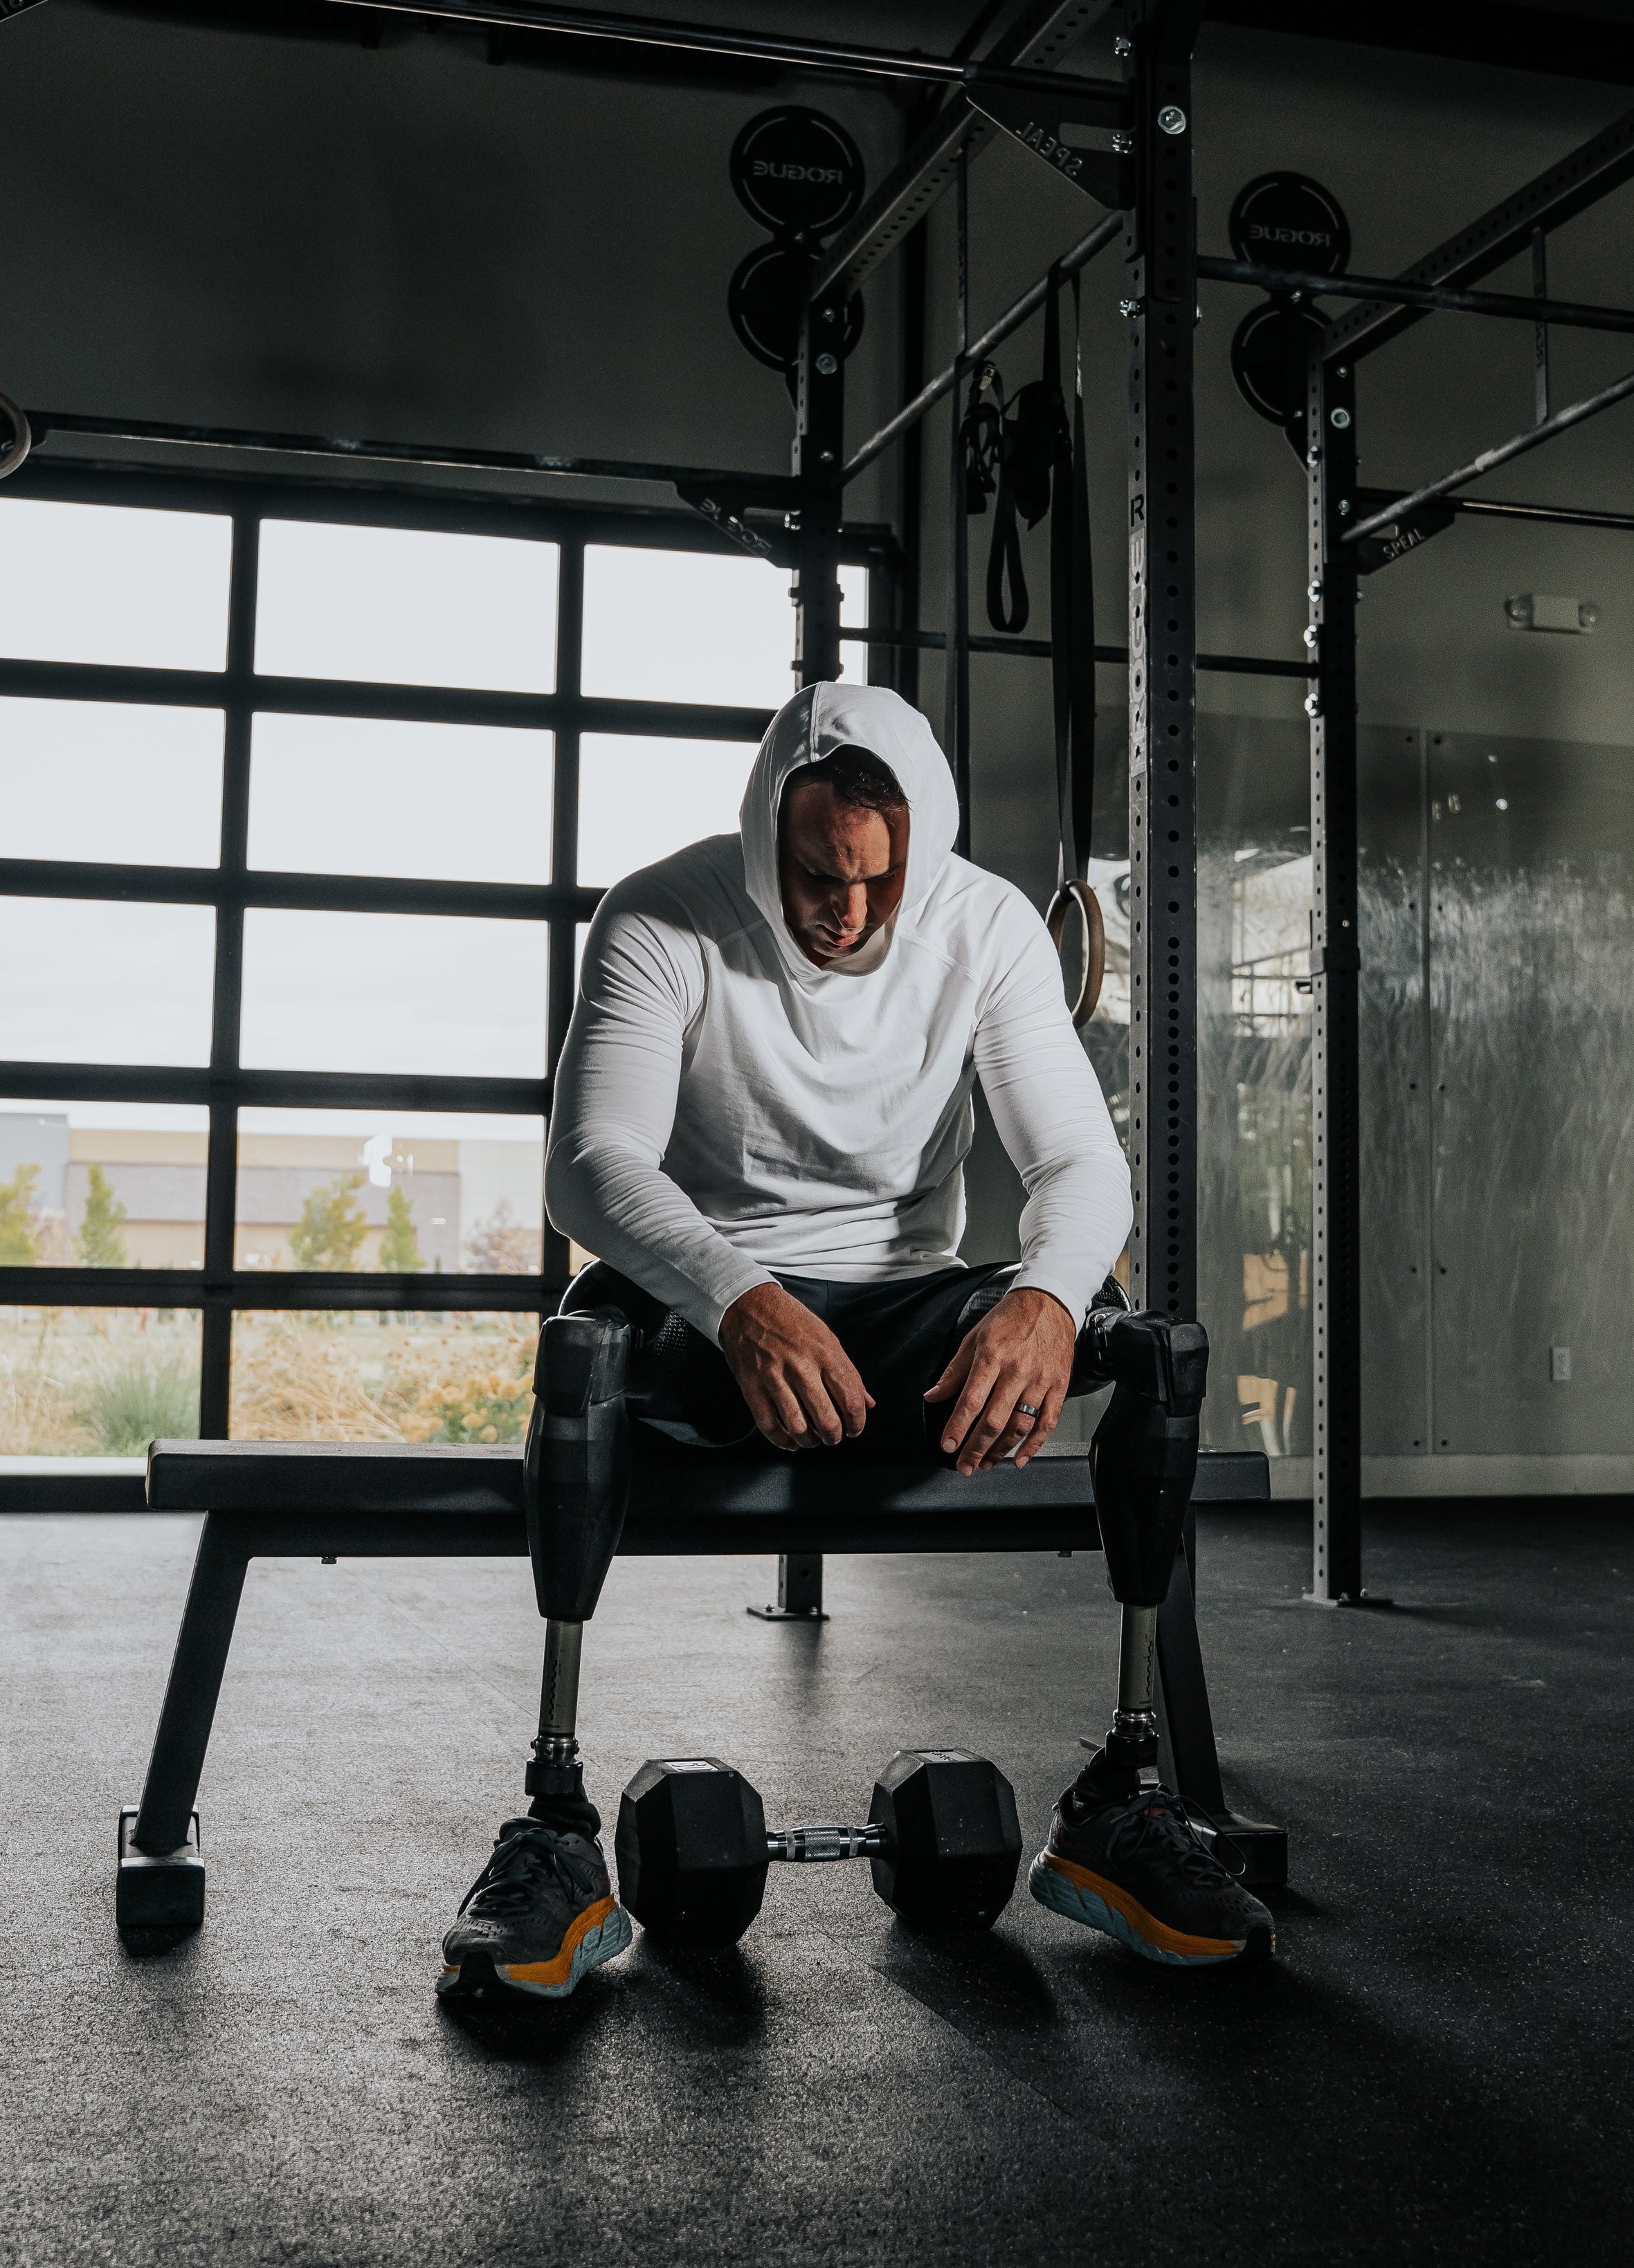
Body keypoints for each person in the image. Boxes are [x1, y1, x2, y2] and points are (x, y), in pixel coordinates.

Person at [437, 683, 1275, 2001]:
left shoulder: (986, 924)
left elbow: (1075, 1160)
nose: (847, 909)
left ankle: (1123, 1790)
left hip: (898, 1306)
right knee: (582, 1348)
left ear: (922, 853)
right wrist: (736, 1292)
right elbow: (592, 1166)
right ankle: (551, 1817)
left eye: (879, 882)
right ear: (771, 831)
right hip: (701, 1304)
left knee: (1155, 1347)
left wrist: (1049, 1298)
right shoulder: (663, 913)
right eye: (819, 873)